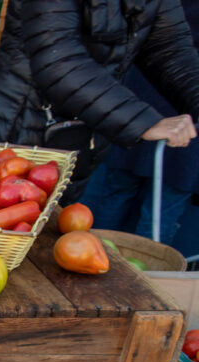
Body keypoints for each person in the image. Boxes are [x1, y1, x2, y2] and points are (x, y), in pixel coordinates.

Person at [0, 0, 199, 201]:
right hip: (15, 126)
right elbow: (57, 61)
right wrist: (144, 122)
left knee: (54, 235)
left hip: (81, 133)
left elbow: (169, 49)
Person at [79, 1, 199, 245]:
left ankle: (95, 260)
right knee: (160, 208)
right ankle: (141, 277)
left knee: (118, 193)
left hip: (137, 97)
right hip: (177, 107)